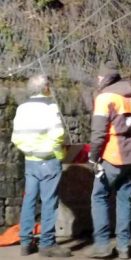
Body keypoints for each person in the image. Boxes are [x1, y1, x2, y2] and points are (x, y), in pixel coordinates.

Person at [87, 61, 131, 259]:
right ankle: (124, 247)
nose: (97, 79)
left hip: (114, 157)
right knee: (124, 198)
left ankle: (102, 246)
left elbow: (98, 132)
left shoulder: (105, 98)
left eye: (99, 77)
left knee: (100, 196)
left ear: (106, 78)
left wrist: (94, 156)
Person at [11, 75, 72, 257]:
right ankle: (47, 244)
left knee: (29, 200)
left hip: (31, 161)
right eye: (49, 85)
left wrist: (31, 151)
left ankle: (25, 242)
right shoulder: (50, 107)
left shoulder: (21, 108)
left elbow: (16, 137)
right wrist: (57, 153)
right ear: (45, 87)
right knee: (49, 201)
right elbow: (58, 134)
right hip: (49, 160)